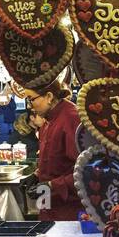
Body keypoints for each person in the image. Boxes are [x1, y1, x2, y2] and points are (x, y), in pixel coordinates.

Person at [19, 81, 83, 221]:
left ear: (49, 96)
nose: (30, 106)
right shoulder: (47, 120)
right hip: (48, 205)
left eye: (31, 99)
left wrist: (51, 185)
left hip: (68, 210)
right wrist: (37, 175)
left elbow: (86, 170)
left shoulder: (72, 118)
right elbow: (55, 159)